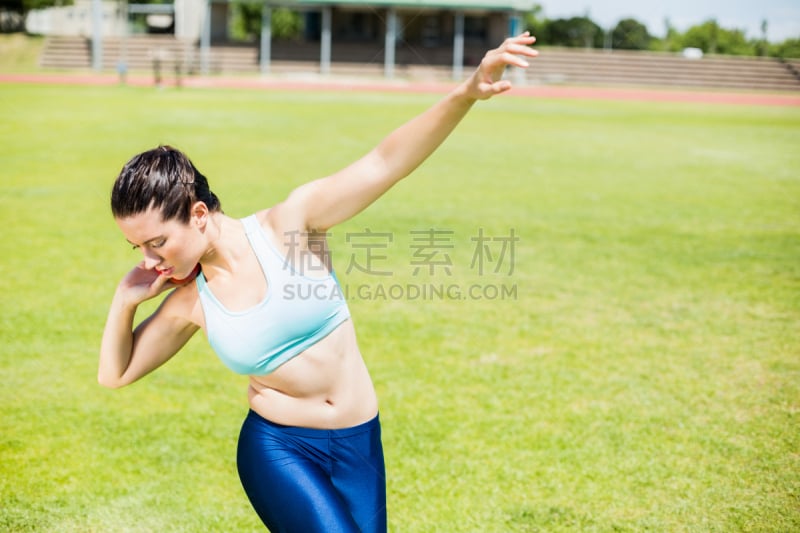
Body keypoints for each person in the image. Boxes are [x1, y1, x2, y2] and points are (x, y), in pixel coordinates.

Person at [99, 33, 538, 532]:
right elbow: (117, 373)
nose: (151, 260)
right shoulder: (190, 301)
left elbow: (384, 163)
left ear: (198, 214)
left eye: (157, 242)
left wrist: (465, 93)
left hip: (360, 443)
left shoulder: (291, 224)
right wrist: (124, 300)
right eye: (138, 249)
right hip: (278, 450)